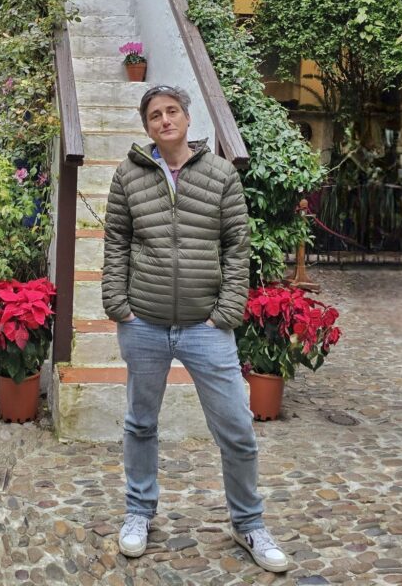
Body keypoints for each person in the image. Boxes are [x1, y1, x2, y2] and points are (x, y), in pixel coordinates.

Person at [101, 84, 289, 574]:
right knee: (141, 423)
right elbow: (117, 239)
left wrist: (226, 311)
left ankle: (248, 523)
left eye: (172, 112)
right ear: (147, 127)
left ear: (186, 118)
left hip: (206, 327)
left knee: (237, 428)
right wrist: (118, 304)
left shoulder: (221, 174)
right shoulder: (128, 176)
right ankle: (139, 513)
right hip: (143, 321)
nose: (165, 120)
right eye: (155, 115)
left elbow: (237, 246)